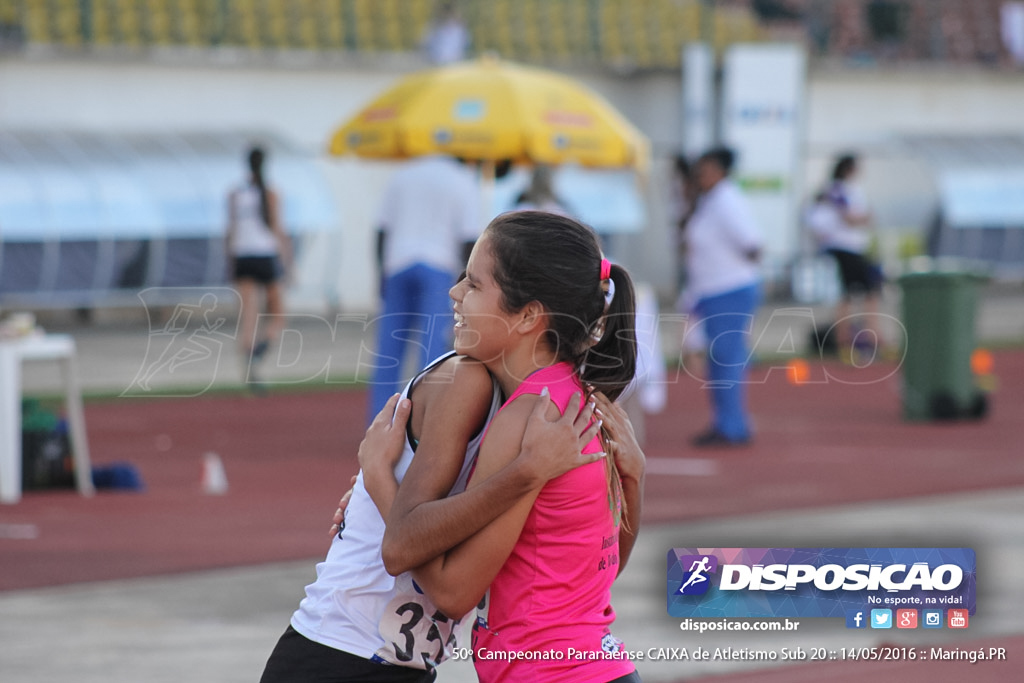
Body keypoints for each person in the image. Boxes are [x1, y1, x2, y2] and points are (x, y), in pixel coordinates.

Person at [361, 211, 643, 682]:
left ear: (529, 315)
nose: (454, 293)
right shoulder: (579, 398)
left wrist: (379, 482)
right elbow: (601, 571)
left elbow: (452, 592)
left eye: (473, 285)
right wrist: (635, 481)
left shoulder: (528, 420)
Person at [369, 154, 479, 420]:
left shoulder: (402, 175)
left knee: (388, 352)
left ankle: (378, 423)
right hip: (438, 267)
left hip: (397, 263)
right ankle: (426, 422)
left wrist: (381, 274)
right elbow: (469, 240)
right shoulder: (463, 179)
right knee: (432, 353)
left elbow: (381, 230)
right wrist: (469, 286)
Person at [683, 147, 763, 447]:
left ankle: (731, 425)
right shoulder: (713, 200)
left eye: (705, 169)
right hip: (717, 288)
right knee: (722, 360)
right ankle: (729, 422)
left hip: (728, 288)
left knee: (726, 360)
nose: (701, 176)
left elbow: (753, 243)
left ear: (720, 170)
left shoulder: (726, 201)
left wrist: (731, 266)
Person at [225, 145, 291, 386]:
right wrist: (288, 264)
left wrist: (230, 262)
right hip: (264, 256)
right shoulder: (270, 193)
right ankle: (259, 354)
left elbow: (230, 231)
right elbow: (278, 230)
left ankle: (248, 368)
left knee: (249, 318)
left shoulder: (235, 194)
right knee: (278, 317)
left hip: (242, 256)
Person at [807, 153, 883, 357]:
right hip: (845, 248)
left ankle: (853, 337)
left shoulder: (836, 190)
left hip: (846, 247)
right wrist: (864, 217)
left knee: (850, 293)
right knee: (865, 291)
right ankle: (864, 336)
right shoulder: (838, 190)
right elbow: (848, 216)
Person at [421, 0, 470, 65]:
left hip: (456, 64)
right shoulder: (433, 27)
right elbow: (423, 44)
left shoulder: (459, 28)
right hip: (437, 64)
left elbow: (466, 44)